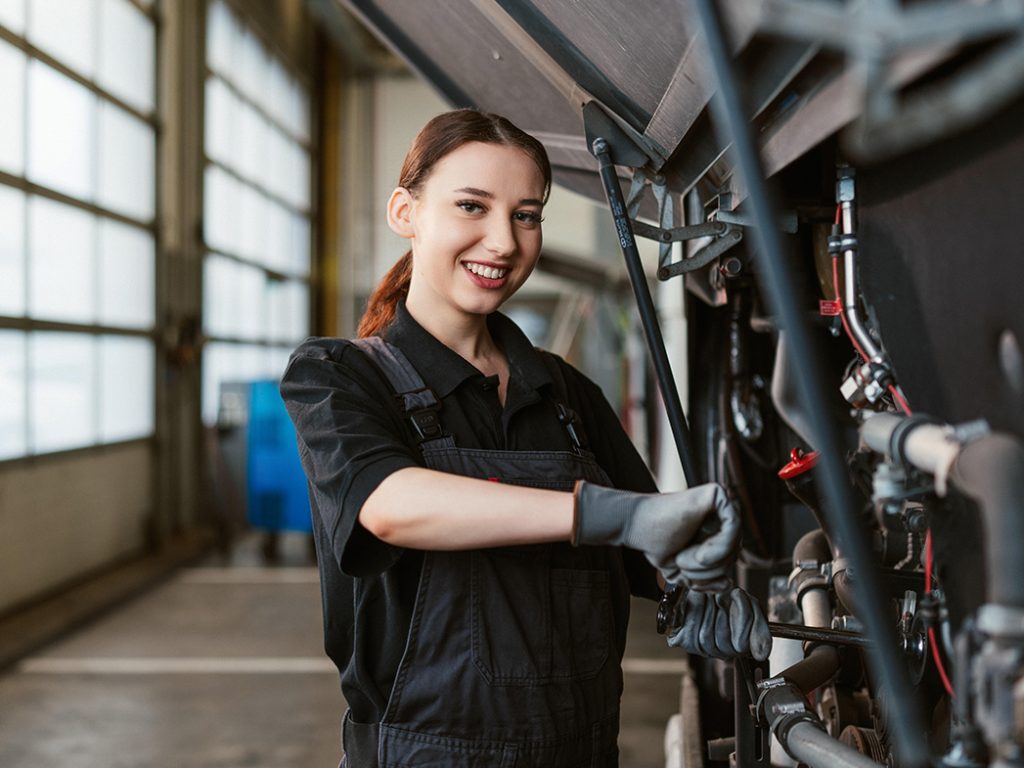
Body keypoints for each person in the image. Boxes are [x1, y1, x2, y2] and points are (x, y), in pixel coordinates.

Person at [281, 109, 770, 768]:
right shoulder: (339, 376)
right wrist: (606, 513)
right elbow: (391, 505)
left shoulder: (567, 395)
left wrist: (697, 588)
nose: (503, 242)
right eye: (471, 206)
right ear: (405, 212)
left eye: (526, 215)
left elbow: (646, 550)